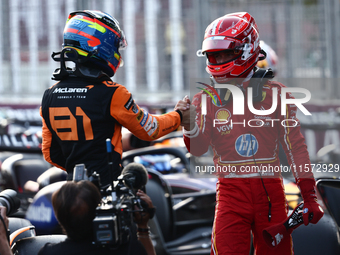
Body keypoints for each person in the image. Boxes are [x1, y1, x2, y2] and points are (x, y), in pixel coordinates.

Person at [181, 12, 324, 254]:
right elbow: (198, 149)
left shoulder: (276, 94)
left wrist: (310, 197)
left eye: (227, 53)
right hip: (229, 196)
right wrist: (189, 125)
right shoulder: (204, 99)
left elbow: (296, 148)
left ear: (247, 50)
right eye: (215, 55)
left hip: (272, 197)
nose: (220, 60)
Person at [40, 10, 190, 186]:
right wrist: (179, 115)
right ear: (101, 46)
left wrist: (79, 170)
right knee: (146, 206)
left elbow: (50, 154)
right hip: (107, 191)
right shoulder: (112, 93)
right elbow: (151, 130)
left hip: (72, 190)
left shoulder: (49, 95)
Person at [37, 180, 155, 255]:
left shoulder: (48, 252)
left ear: (59, 217)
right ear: (99, 210)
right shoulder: (127, 248)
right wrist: (142, 226)